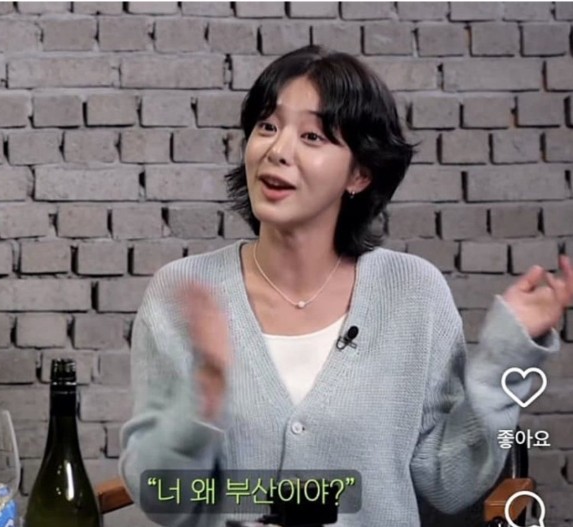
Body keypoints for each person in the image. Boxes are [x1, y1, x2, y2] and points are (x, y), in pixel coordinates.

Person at [119, 45, 573, 527]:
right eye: (267, 127)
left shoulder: (413, 293)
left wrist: (507, 356)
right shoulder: (183, 291)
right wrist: (199, 403)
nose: (277, 150)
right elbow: (160, 498)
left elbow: (446, 480)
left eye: (312, 136)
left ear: (359, 174)